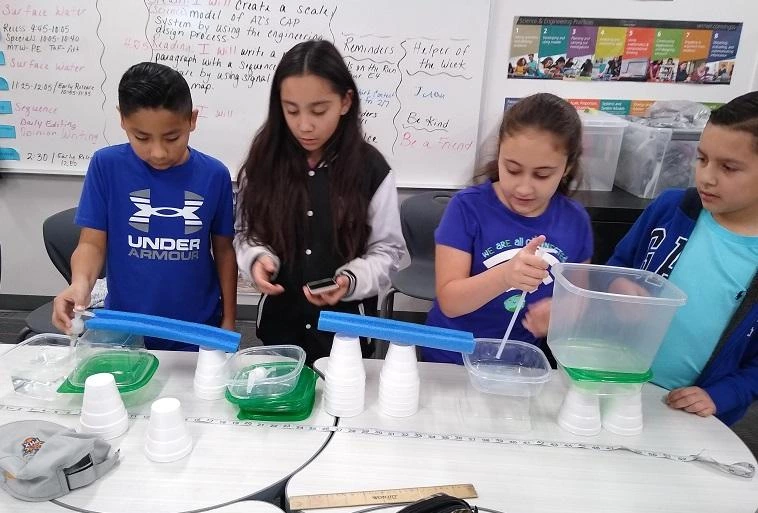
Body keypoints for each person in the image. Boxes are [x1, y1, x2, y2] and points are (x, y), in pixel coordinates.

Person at [234, 40, 406, 364]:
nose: (304, 125)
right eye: (291, 110)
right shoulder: (263, 163)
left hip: (346, 333)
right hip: (279, 329)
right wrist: (257, 259)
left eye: (318, 110)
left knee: (344, 408)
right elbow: (246, 232)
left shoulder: (371, 169)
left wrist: (349, 280)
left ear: (345, 102)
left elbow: (388, 251)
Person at [52, 62, 237, 350]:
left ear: (192, 120)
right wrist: (80, 285)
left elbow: (224, 251)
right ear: (122, 120)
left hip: (197, 325)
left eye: (172, 137)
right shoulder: (107, 166)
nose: (159, 152)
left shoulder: (214, 175)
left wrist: (229, 319)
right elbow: (92, 244)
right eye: (142, 138)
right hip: (126, 326)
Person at [607, 91, 758, 425]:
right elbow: (618, 265)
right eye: (702, 158)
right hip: (615, 383)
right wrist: (618, 286)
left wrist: (720, 396)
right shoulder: (672, 208)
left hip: (691, 413)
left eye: (728, 167)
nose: (706, 176)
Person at [422, 93, 594, 364]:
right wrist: (504, 276)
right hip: (450, 357)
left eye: (542, 174)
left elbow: (577, 301)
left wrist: (560, 315)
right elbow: (450, 302)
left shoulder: (575, 221)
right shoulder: (467, 208)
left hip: (517, 363)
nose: (524, 188)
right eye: (512, 170)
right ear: (499, 154)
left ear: (567, 167)